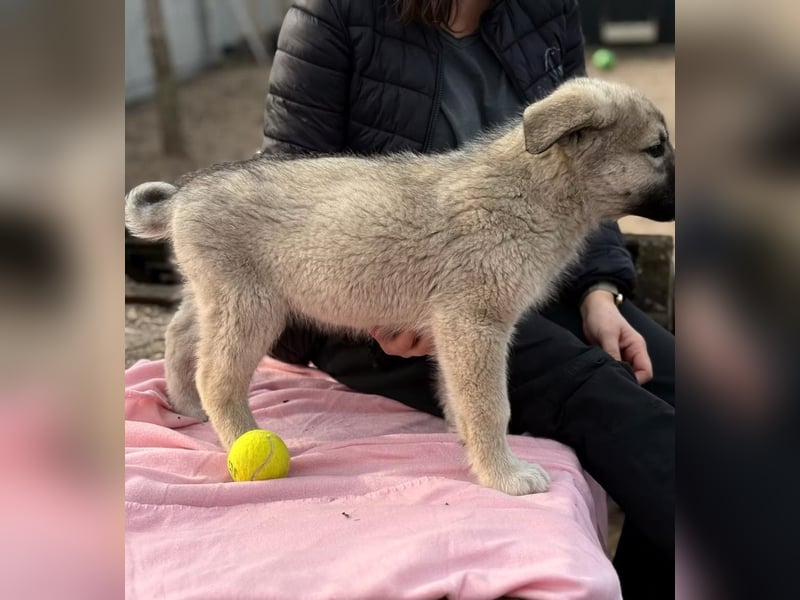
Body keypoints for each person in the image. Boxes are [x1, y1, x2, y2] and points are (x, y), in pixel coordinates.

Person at [258, 1, 675, 597]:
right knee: (606, 401)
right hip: (379, 295)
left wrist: (599, 289)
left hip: (523, 275)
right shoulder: (335, 14)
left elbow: (593, 167)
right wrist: (379, 303)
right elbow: (282, 188)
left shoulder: (546, 10)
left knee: (685, 384)